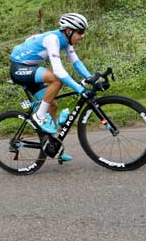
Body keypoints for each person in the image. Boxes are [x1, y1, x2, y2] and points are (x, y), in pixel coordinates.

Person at [9, 13, 93, 162]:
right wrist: (80, 88)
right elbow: (59, 71)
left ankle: (54, 147)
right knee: (56, 79)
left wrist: (91, 78)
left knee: (52, 105)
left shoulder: (66, 42)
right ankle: (39, 117)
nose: (83, 35)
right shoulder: (52, 39)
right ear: (69, 31)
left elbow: (76, 62)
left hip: (30, 69)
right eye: (80, 32)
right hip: (19, 68)